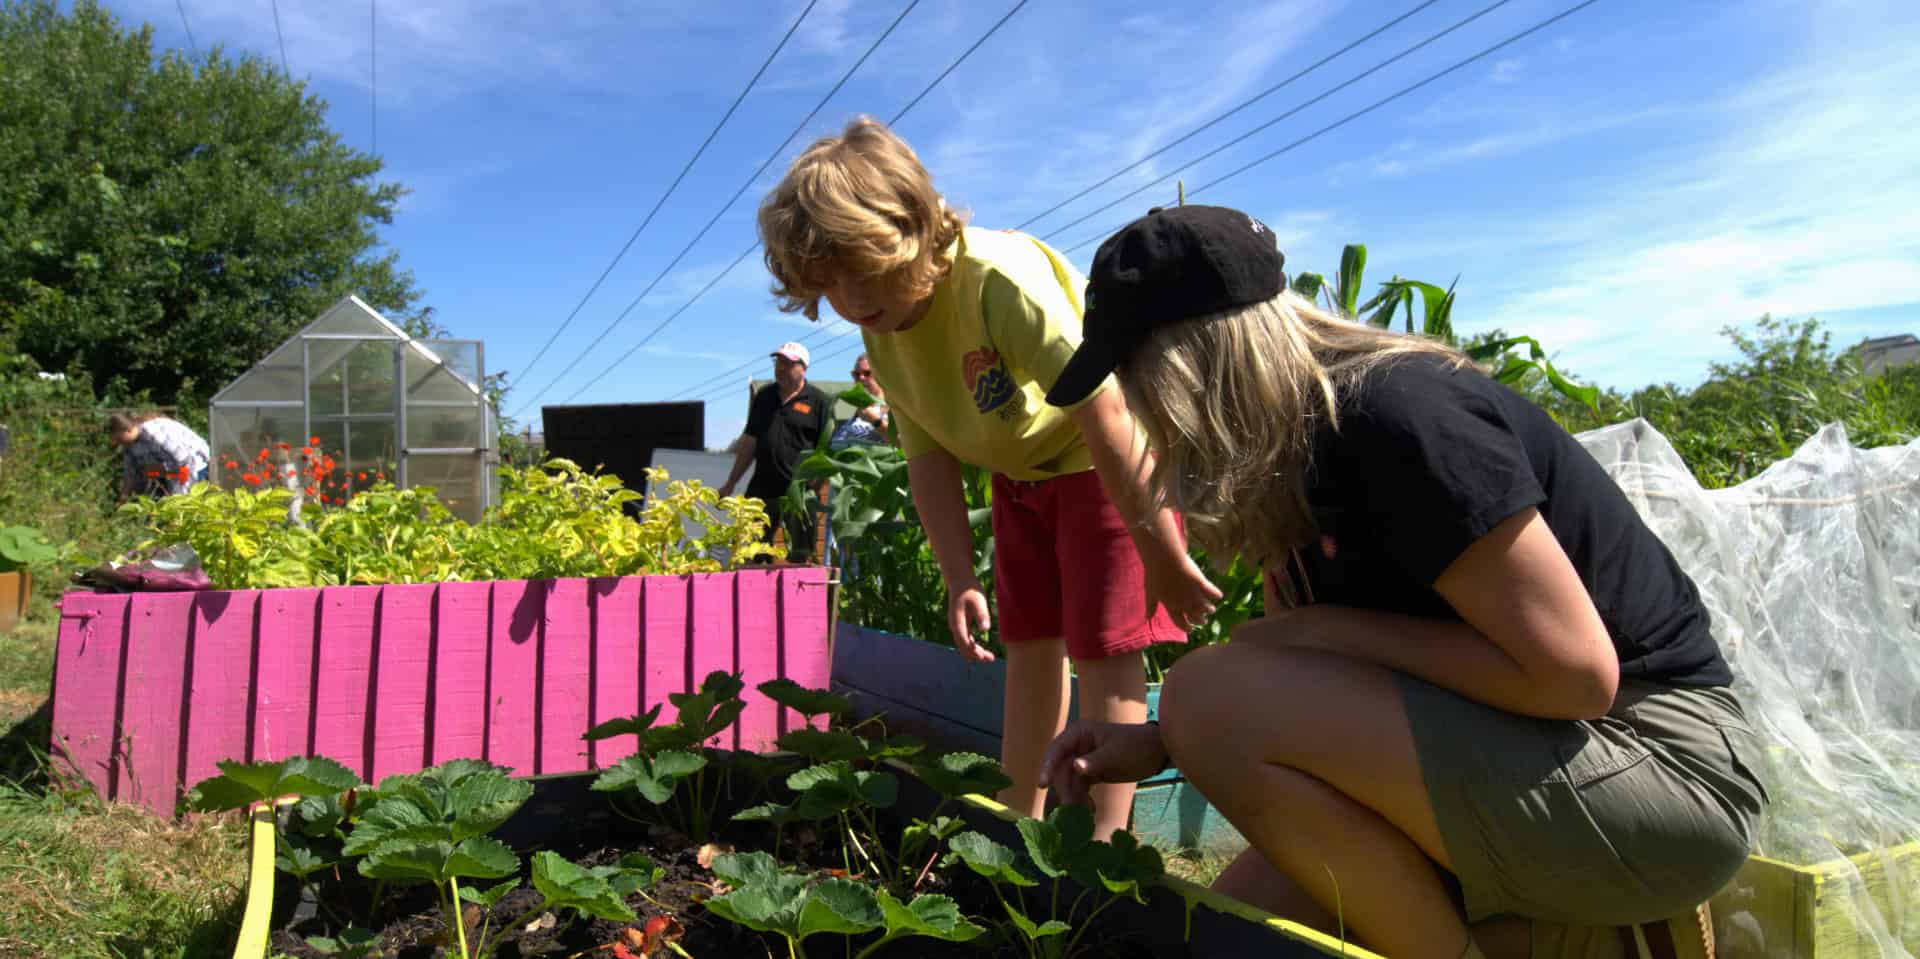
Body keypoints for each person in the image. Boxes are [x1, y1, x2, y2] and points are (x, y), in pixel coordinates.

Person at [1035, 205, 1768, 959]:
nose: (1140, 405)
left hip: (1662, 765)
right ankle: (1577, 933)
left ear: (1194, 360)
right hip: (1545, 756)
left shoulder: (1400, 415)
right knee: (1225, 935)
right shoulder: (1291, 468)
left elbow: (1579, 676)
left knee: (1202, 691)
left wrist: (1321, 634)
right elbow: (1317, 703)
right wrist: (1161, 742)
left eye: (1136, 373)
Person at [756, 115, 1221, 841]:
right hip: (1022, 477)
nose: (850, 300)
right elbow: (927, 457)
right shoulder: (883, 323)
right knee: (1031, 648)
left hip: (1101, 465)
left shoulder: (998, 283)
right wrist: (956, 574)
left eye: (864, 271)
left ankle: (1104, 848)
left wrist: (1158, 542)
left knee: (1105, 653)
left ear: (910, 226)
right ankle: (1016, 824)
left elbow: (1105, 412)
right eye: (830, 286)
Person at [720, 341, 833, 563]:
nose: (780, 368)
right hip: (762, 488)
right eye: (778, 362)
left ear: (804, 367)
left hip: (798, 493)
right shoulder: (765, 397)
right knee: (753, 553)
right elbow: (749, 441)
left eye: (788, 364)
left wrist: (814, 487)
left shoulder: (819, 401)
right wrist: (731, 482)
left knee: (800, 556)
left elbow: (826, 451)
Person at [106, 412, 210, 502]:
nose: (119, 443)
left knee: (190, 504)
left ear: (127, 430)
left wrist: (180, 494)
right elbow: (130, 474)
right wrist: (123, 498)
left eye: (119, 438)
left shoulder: (153, 432)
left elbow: (184, 461)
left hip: (195, 466)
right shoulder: (128, 445)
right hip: (170, 472)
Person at [828, 353, 892, 451]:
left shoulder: (892, 408)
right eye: (856, 374)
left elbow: (901, 442)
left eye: (867, 373)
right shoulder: (859, 410)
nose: (861, 378)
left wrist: (875, 421)